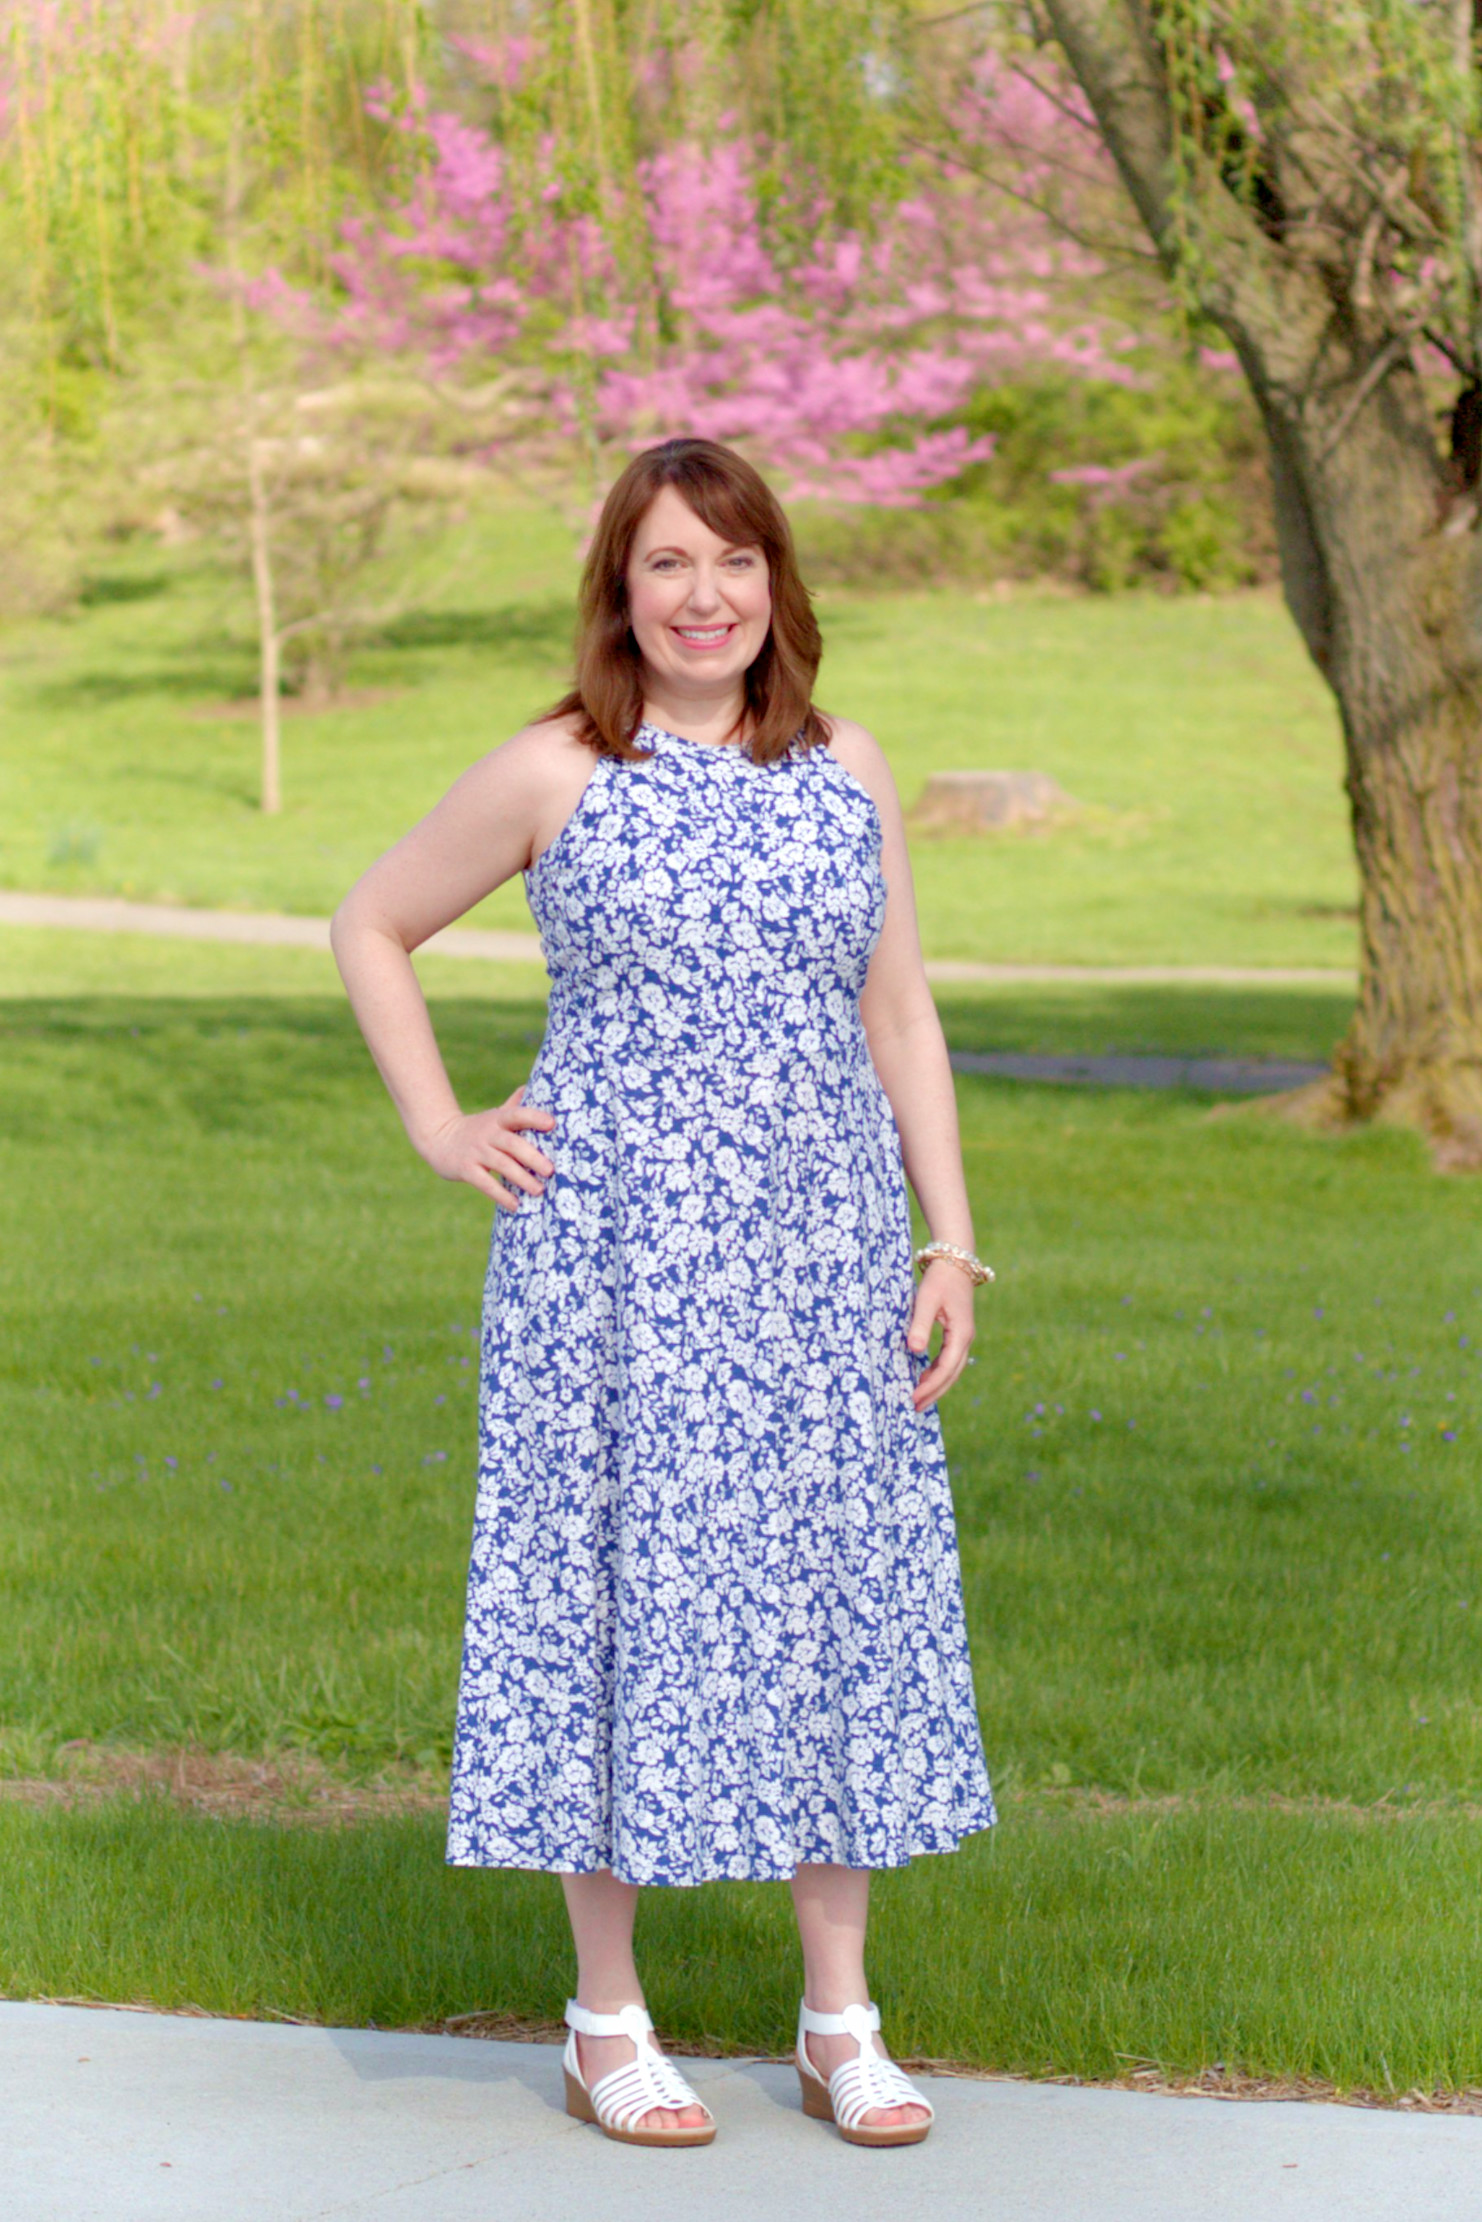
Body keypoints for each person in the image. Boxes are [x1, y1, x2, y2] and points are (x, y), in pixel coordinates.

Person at [331, 436, 996, 2152]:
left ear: (778, 582)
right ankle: (604, 2016)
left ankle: (839, 2018)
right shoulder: (559, 767)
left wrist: (947, 1239)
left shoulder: (847, 762)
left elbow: (899, 1007)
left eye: (735, 562)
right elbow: (370, 922)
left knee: (830, 1597)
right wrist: (440, 1123)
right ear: (618, 595)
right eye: (668, 567)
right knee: (613, 1591)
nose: (705, 597)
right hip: (612, 1261)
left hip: (818, 1257)